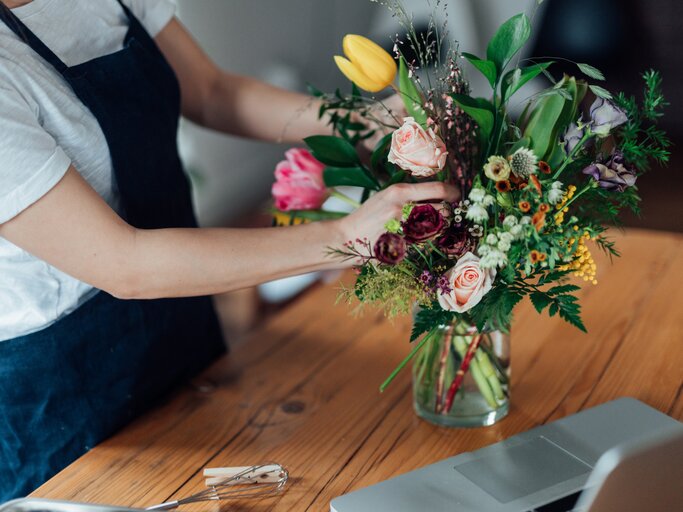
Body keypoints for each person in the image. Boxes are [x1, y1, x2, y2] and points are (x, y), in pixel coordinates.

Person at [0, 0, 458, 500]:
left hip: (180, 319)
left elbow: (212, 92)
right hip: (67, 390)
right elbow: (122, 263)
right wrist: (345, 238)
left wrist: (361, 121)